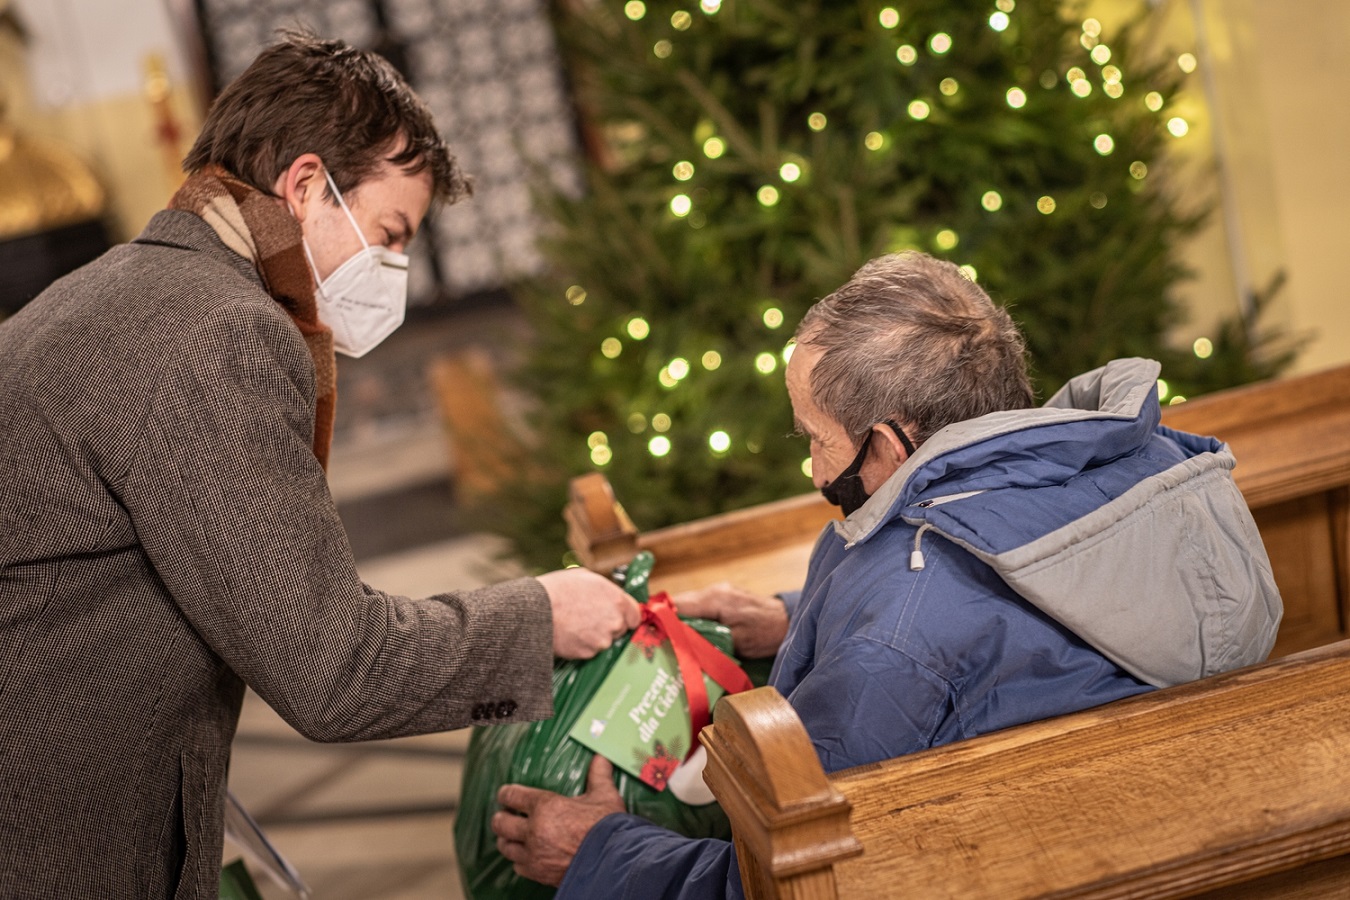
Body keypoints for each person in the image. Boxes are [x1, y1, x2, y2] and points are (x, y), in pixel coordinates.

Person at [0, 32, 639, 899]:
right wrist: (539, 614)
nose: (395, 272)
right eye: (388, 234)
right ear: (305, 187)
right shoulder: (218, 330)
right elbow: (334, 669)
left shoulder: (91, 296)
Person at [489, 251, 1283, 899]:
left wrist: (597, 852)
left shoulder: (890, 645)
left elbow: (789, 882)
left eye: (815, 440)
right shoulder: (1121, 463)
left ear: (889, 446)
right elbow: (1003, 607)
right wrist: (796, 617)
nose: (810, 470)